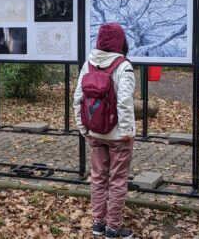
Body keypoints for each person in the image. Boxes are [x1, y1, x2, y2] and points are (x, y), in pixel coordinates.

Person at [73, 23, 136, 239]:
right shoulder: (123, 66)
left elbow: (77, 98)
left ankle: (98, 224)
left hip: (94, 132)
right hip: (118, 135)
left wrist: (83, 127)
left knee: (98, 177)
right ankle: (113, 228)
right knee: (117, 180)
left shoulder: (88, 64)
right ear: (120, 41)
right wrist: (126, 130)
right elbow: (125, 101)